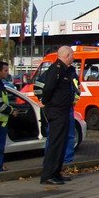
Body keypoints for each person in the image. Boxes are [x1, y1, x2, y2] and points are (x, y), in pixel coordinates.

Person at [39, 45, 77, 185]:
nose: (73, 57)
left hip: (64, 110)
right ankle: (48, 175)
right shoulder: (56, 69)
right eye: (72, 55)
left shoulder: (66, 70)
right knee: (55, 144)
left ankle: (56, 172)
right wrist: (47, 102)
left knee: (61, 144)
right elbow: (48, 88)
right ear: (66, 55)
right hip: (56, 111)